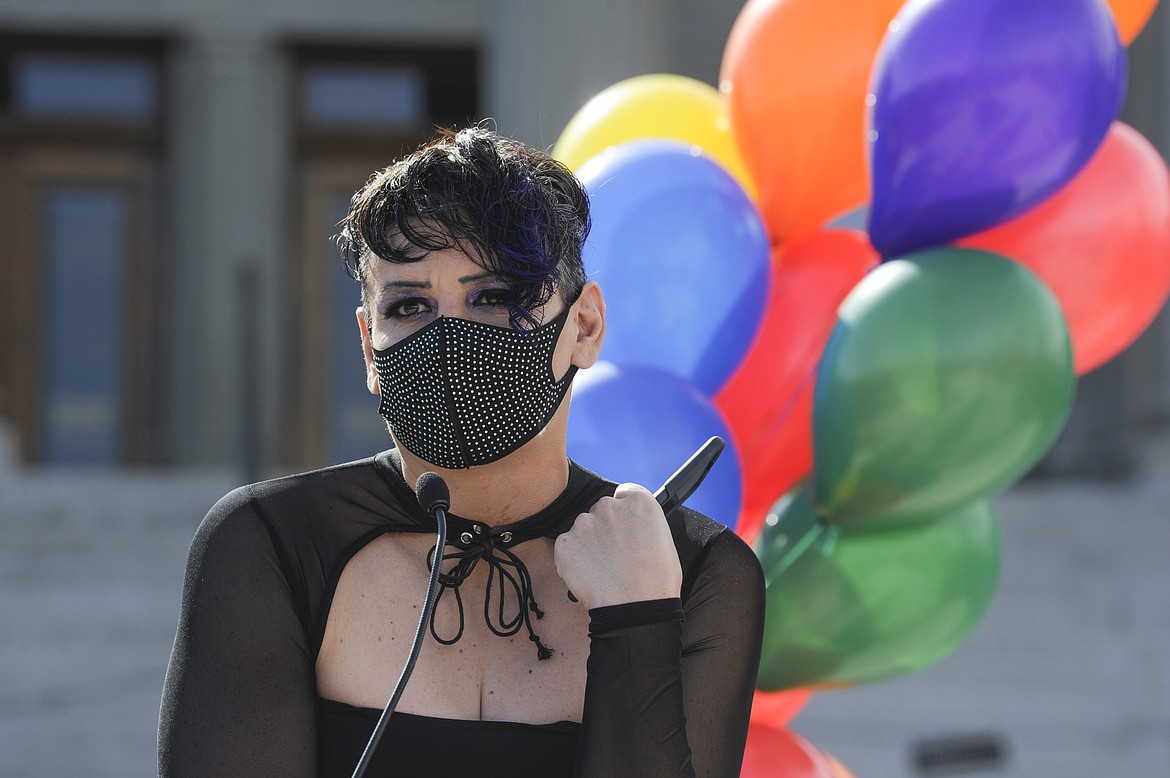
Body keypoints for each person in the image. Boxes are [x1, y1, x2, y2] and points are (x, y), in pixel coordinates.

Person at [158, 125, 765, 777]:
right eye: (410, 304)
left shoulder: (695, 571)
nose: (449, 336)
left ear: (583, 326)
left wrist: (636, 619)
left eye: (495, 297)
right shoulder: (273, 544)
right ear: (370, 346)